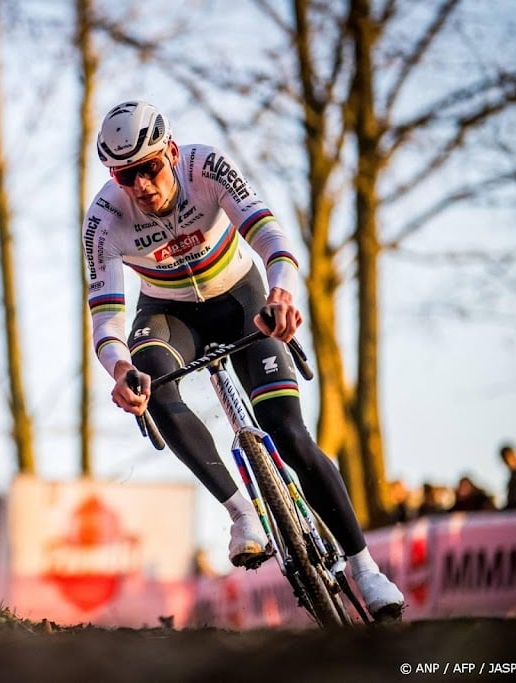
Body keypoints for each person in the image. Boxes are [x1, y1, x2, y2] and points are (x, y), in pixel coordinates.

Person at [83, 100, 404, 620]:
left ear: (169, 151)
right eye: (126, 175)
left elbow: (272, 235)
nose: (141, 185)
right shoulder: (103, 219)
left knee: (289, 432)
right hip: (169, 315)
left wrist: (280, 294)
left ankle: (365, 567)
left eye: (149, 168)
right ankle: (242, 517)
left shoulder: (204, 166)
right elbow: (106, 319)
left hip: (243, 301)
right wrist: (121, 372)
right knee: (153, 384)